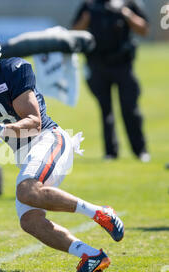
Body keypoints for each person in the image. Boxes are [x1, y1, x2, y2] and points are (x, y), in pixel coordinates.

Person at [0, 25, 125, 272]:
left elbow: (33, 122)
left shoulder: (13, 70)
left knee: (27, 190)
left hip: (48, 140)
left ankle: (100, 213)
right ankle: (91, 255)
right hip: (24, 154)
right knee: (30, 221)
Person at [72, 0, 150, 162]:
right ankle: (110, 152)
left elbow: (144, 29)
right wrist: (87, 18)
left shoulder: (128, 3)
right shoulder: (89, 5)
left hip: (123, 65)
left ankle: (140, 151)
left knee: (130, 108)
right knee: (105, 111)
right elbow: (74, 32)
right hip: (98, 65)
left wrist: (127, 14)